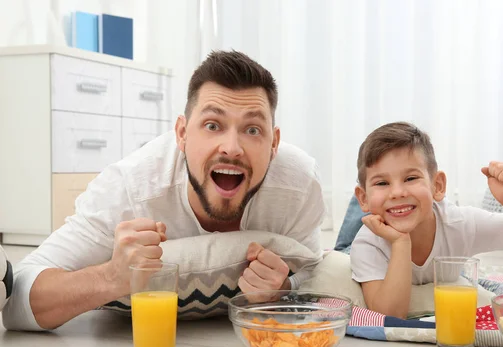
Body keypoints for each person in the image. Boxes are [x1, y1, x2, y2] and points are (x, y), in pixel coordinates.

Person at [2, 50, 325, 331]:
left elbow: (313, 272)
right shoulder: (128, 190)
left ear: (274, 144)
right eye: (212, 125)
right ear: (182, 134)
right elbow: (16, 301)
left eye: (252, 129)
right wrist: (110, 278)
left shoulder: (298, 185)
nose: (232, 148)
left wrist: (283, 288)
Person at [350, 122, 503, 318]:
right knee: (340, 252)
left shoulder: (458, 223)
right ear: (364, 198)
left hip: (405, 212)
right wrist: (400, 242)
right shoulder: (367, 243)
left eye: (411, 178)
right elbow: (390, 315)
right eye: (382, 182)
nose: (397, 192)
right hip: (371, 225)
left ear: (437, 186)